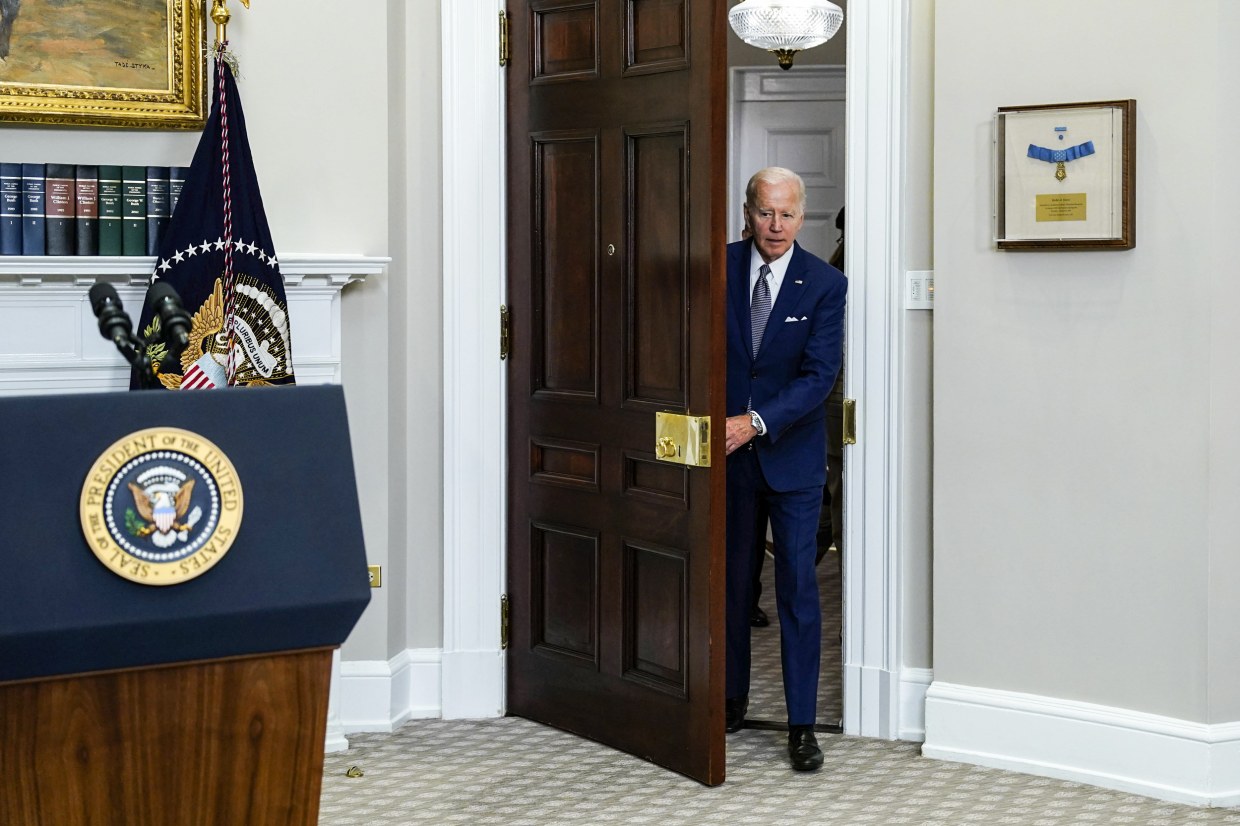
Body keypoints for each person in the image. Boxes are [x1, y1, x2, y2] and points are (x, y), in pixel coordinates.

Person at [724, 167, 847, 772]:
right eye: (765, 212)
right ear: (747, 212)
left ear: (803, 216)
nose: (776, 226)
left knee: (798, 592)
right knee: (730, 586)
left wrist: (755, 422)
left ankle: (801, 726)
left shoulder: (825, 283)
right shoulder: (715, 267)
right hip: (725, 459)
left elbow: (819, 377)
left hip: (792, 462)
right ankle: (729, 701)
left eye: (788, 214)